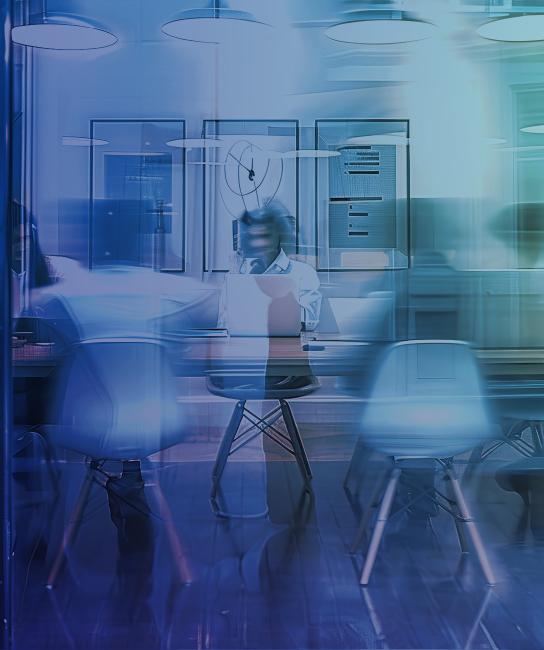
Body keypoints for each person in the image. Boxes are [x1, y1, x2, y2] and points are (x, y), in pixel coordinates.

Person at [232, 201, 321, 331]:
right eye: (253, 236)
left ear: (279, 236)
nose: (259, 243)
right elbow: (224, 323)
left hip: (286, 347)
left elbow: (309, 321)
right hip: (242, 345)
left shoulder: (304, 272)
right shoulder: (238, 275)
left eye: (265, 236)